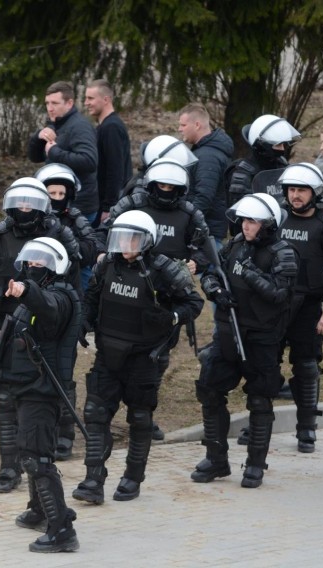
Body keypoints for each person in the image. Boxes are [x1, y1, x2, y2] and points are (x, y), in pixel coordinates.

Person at [73, 210, 203, 504]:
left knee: (140, 418)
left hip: (144, 359)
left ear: (146, 241)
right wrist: (84, 323)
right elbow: (91, 299)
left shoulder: (164, 270)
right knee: (96, 414)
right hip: (107, 356)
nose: (125, 244)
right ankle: (93, 480)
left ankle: (133, 477)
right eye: (121, 238)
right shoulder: (106, 265)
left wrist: (170, 317)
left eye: (132, 238)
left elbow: (194, 303)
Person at [0, 177, 80, 492]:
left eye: (31, 203)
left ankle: (57, 443)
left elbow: (73, 285)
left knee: (51, 387)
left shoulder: (59, 233)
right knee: (5, 397)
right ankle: (8, 469)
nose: (25, 208)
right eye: (20, 202)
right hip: (7, 322)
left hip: (50, 322)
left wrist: (73, 327)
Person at [0, 237, 82, 553]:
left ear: (55, 268)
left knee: (37, 458)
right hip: (25, 387)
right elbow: (14, 341)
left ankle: (61, 529)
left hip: (42, 392)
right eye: (31, 262)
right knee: (30, 451)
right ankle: (40, 510)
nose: (34, 268)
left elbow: (48, 308)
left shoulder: (61, 297)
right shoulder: (29, 302)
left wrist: (27, 291)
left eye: (41, 263)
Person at [99, 158, 212, 441]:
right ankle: (105, 415)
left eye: (172, 186)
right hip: (128, 281)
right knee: (116, 352)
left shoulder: (189, 214)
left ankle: (142, 414)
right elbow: (105, 234)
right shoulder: (133, 204)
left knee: (157, 356)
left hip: (169, 290)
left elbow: (205, 248)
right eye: (161, 184)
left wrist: (195, 263)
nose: (166, 190)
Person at [191, 193, 298, 488]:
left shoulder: (282, 253)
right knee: (209, 391)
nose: (246, 225)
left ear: (267, 224)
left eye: (252, 220)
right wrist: (215, 290)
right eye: (244, 220)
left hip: (262, 339)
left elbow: (278, 294)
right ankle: (216, 459)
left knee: (260, 400)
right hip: (227, 334)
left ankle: (254, 464)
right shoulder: (235, 244)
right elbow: (212, 273)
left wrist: (249, 273)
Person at [273, 163, 323, 453]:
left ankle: (307, 429)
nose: (295, 195)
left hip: (309, 306)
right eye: (291, 189)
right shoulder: (276, 217)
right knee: (266, 363)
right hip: (276, 304)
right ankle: (260, 423)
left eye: (301, 190)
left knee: (306, 367)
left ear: (314, 192)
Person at [34, 162, 101, 459]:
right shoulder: (28, 219)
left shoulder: (75, 220)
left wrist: (67, 243)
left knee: (63, 370)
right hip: (33, 301)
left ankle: (65, 434)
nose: (57, 198)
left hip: (67, 303)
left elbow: (90, 250)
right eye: (52, 192)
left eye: (62, 192)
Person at [28, 81, 99, 224]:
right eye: (47, 103)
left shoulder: (80, 127)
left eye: (54, 103)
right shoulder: (56, 123)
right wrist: (38, 136)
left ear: (69, 103)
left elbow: (89, 161)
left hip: (79, 207)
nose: (50, 108)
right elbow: (35, 158)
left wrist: (54, 152)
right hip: (59, 203)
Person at [178, 103, 234, 245]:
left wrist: (184, 222)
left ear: (197, 125)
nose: (179, 129)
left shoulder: (208, 156)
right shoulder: (205, 152)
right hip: (206, 230)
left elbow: (204, 197)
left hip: (205, 233)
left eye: (183, 125)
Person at [226, 114, 301, 215]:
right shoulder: (242, 173)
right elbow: (239, 214)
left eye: (283, 144)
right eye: (278, 144)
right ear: (260, 145)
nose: (282, 149)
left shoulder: (281, 164)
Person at [83, 79, 132, 222]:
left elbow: (115, 169)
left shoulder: (111, 128)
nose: (86, 103)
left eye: (90, 98)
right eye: (86, 98)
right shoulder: (105, 126)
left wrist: (108, 207)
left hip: (109, 206)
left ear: (106, 99)